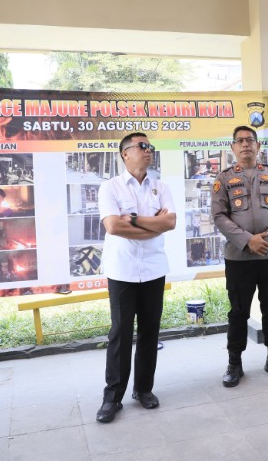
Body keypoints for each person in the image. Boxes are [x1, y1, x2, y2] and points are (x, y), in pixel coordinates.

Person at [95, 132, 176, 423]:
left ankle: (143, 390)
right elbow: (113, 227)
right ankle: (112, 397)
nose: (148, 150)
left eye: (150, 146)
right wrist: (152, 225)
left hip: (154, 269)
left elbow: (170, 222)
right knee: (120, 333)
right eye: (142, 146)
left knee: (150, 332)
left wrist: (133, 219)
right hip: (122, 271)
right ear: (125, 153)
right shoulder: (110, 188)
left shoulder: (161, 187)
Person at [211, 125, 268, 388]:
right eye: (240, 141)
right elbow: (219, 216)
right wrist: (248, 241)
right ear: (233, 148)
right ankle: (234, 363)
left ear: (259, 147)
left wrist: (265, 240)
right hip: (239, 258)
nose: (246, 144)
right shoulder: (223, 179)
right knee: (238, 312)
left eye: (250, 140)